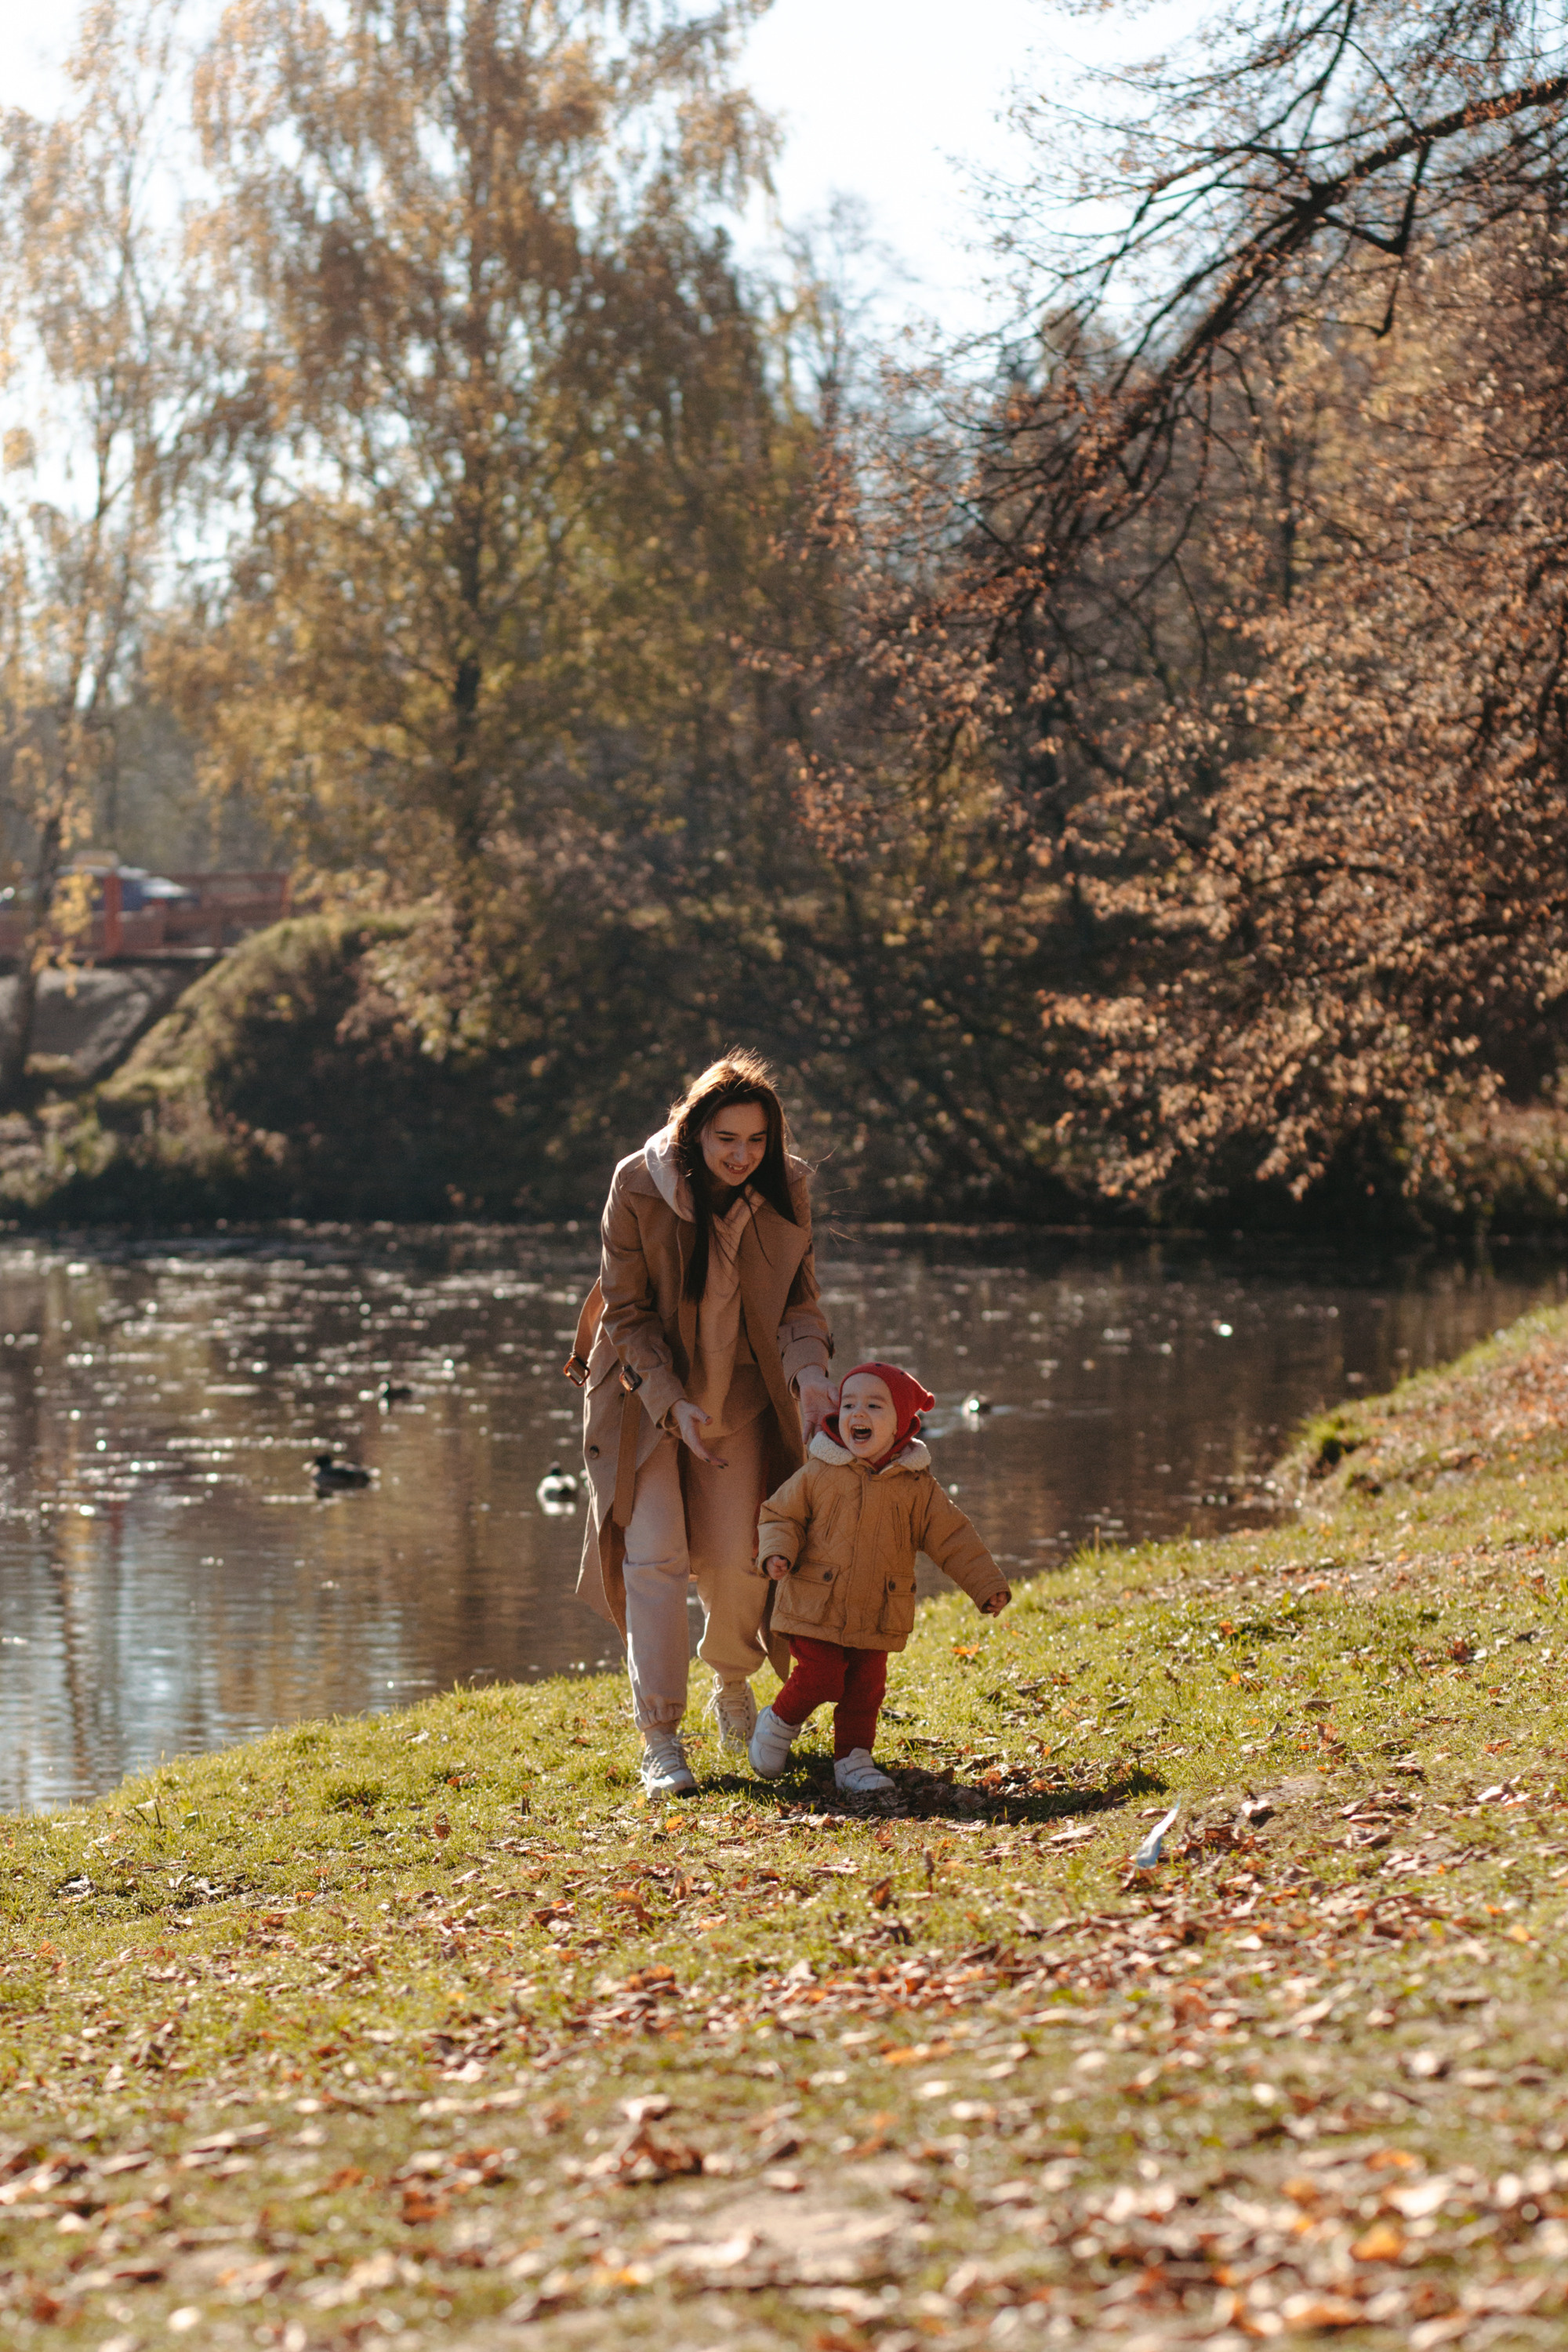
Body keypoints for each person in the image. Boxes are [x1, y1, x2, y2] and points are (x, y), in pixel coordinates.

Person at [572, 1052, 835, 1795]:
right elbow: (624, 1312)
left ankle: (731, 1683)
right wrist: (669, 1399)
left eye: (756, 1141)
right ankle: (660, 1737)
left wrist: (812, 1377)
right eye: (726, 1139)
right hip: (643, 1400)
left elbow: (800, 1304)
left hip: (743, 1399)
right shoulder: (636, 1183)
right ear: (693, 1129)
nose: (741, 1156)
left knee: (738, 1559)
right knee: (653, 1558)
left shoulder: (788, 1185)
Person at [747, 1360, 1011, 1794]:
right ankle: (778, 1723)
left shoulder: (916, 1485)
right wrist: (778, 1551)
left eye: (874, 1405)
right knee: (821, 1675)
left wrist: (985, 1585)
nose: (858, 1414)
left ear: (902, 1424)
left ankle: (853, 1759)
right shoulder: (821, 1471)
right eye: (849, 1403)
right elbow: (780, 1514)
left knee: (865, 1689)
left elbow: (953, 1538)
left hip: (877, 1611)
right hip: (817, 1602)